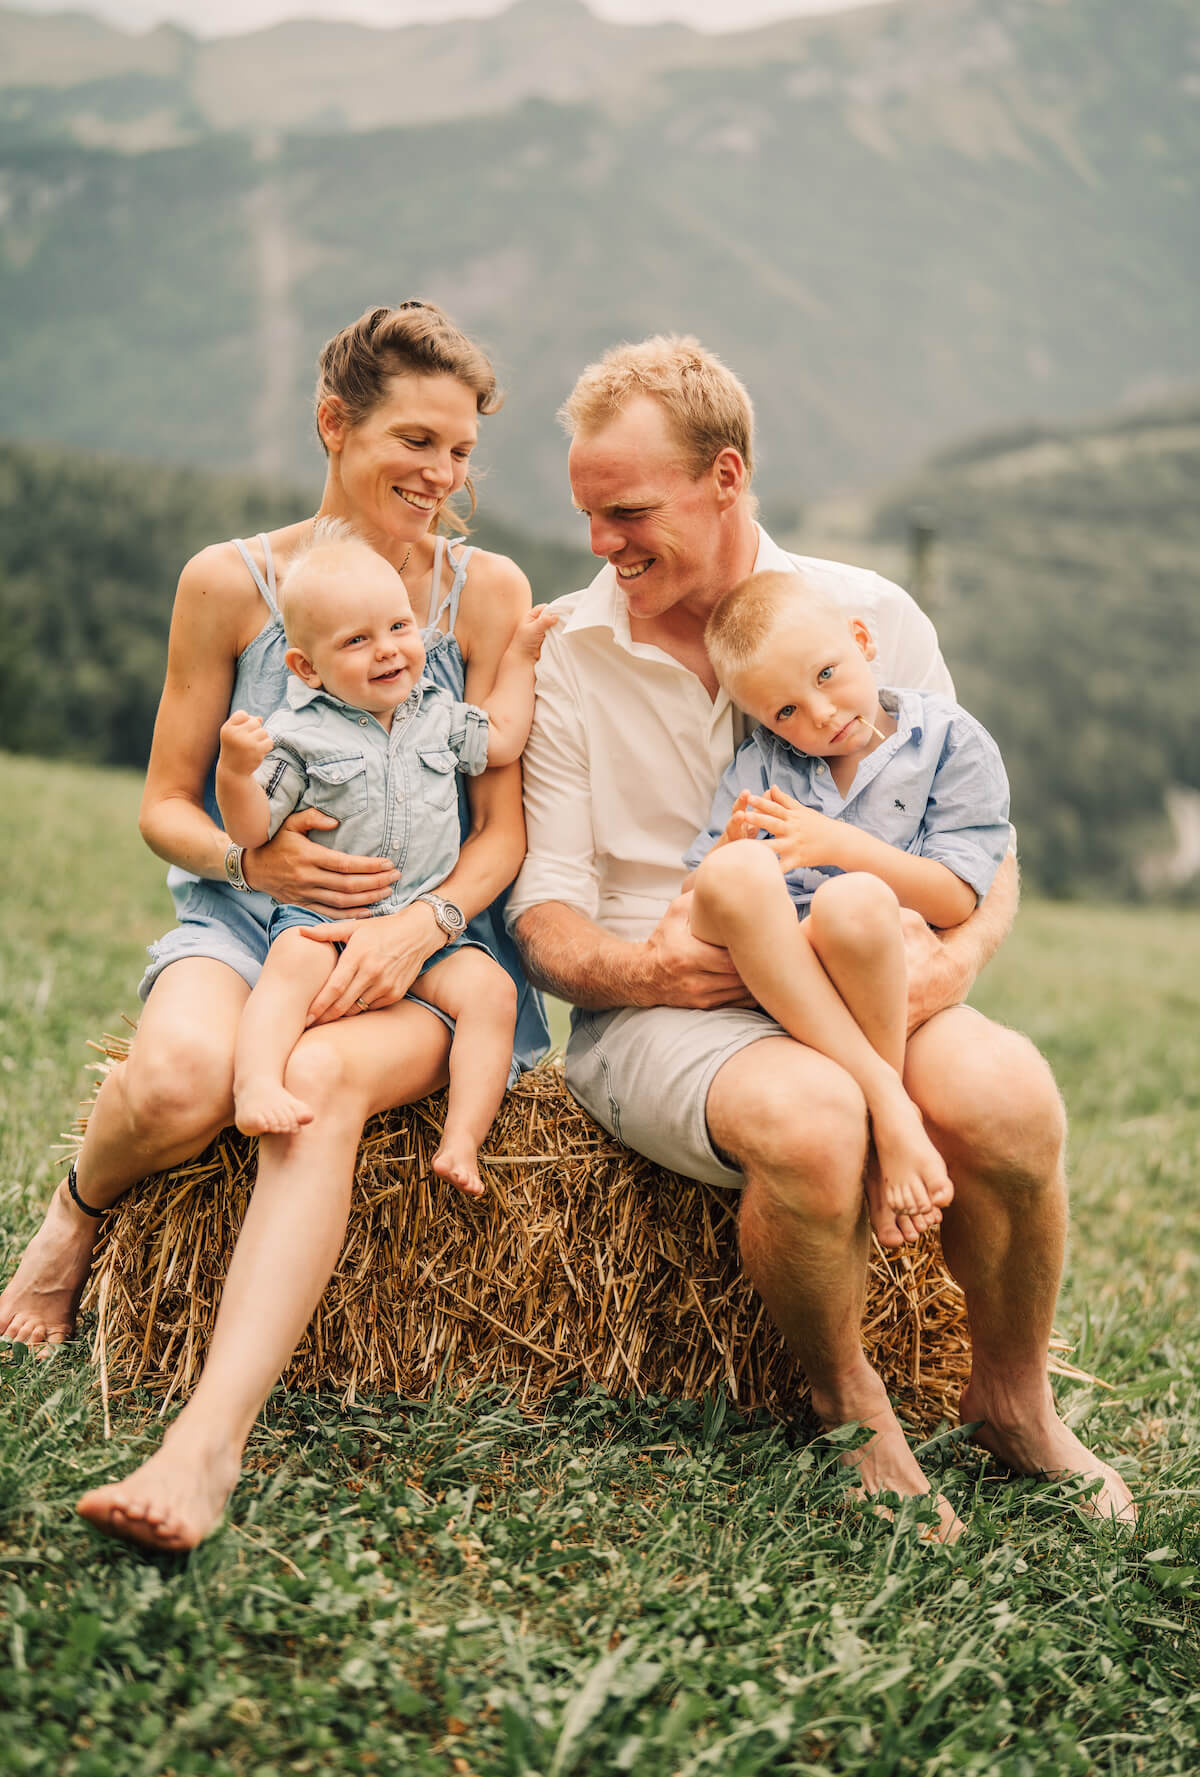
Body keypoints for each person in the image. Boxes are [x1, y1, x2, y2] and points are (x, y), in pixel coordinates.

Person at [508, 333, 1135, 1540]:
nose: (601, 544)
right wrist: (647, 970)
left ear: (726, 476)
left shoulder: (871, 616)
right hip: (671, 1008)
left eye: (629, 511)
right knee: (813, 1120)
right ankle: (855, 1411)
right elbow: (544, 913)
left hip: (865, 965)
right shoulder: (570, 655)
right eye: (586, 514)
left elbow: (977, 838)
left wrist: (954, 963)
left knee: (1010, 1097)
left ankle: (1012, 1400)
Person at [0, 300, 549, 1550]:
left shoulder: (485, 590)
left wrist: (429, 924)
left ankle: (205, 1448)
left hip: (432, 952)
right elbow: (162, 806)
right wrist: (251, 854)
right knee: (188, 1076)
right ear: (332, 423)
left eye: (463, 451)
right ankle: (78, 1214)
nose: (443, 475)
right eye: (417, 439)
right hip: (249, 921)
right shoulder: (230, 582)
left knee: (309, 1076)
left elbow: (501, 829)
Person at [217, 521, 554, 1192]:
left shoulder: (441, 714)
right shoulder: (297, 736)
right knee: (288, 965)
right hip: (329, 924)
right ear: (306, 667)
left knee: (490, 991)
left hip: (422, 929)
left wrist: (517, 656)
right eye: (357, 640)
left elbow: (506, 739)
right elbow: (253, 829)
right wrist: (235, 772)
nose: (388, 651)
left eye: (400, 628)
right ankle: (254, 1086)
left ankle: (463, 1139)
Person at [682, 567, 1010, 1249]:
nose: (820, 714)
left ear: (862, 641)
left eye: (827, 676)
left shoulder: (950, 741)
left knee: (854, 898)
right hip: (774, 968)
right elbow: (702, 895)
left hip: (866, 965)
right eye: (785, 712)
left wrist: (843, 845)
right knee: (734, 869)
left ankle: (877, 1112)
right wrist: (736, 847)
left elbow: (956, 896)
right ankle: (893, 1112)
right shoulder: (762, 765)